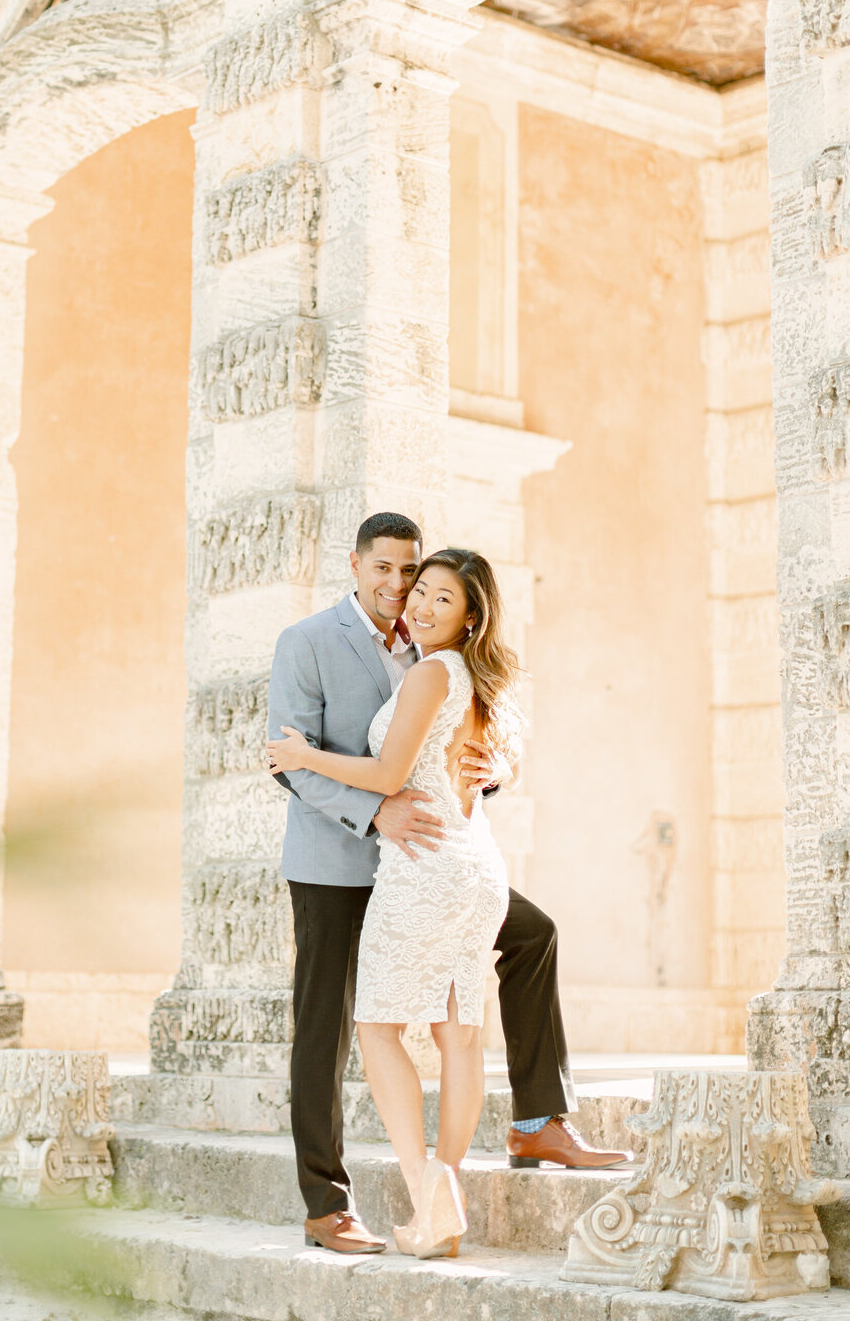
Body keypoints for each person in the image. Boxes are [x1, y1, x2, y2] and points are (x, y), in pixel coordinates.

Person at [267, 512, 630, 1259]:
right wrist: (376, 814)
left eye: (414, 575)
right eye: (387, 571)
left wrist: (500, 768)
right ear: (356, 564)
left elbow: (485, 731)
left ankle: (536, 1123)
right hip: (344, 861)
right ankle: (327, 1203)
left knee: (532, 937)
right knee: (328, 1029)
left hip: (426, 864)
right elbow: (291, 763)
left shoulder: (433, 649)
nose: (401, 588)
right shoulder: (306, 643)